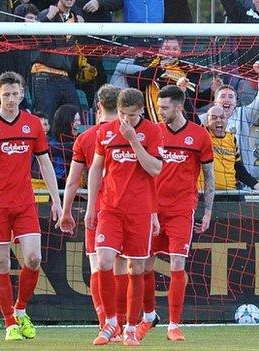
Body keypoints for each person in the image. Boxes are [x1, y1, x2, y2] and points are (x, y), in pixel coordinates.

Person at [0, 71, 62, 341]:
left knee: (34, 257)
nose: (11, 99)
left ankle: (20, 309)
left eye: (15, 93)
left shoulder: (32, 125)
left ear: (22, 93)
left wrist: (56, 201)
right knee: (1, 260)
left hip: (24, 202)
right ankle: (9, 323)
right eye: (6, 94)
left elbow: (44, 163)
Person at [137, 85, 215, 342]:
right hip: (152, 211)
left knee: (178, 264)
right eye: (159, 108)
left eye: (165, 108)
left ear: (179, 107)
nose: (160, 112)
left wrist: (207, 211)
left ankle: (173, 325)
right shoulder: (153, 132)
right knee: (143, 266)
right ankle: (149, 316)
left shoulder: (200, 136)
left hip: (182, 209)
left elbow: (209, 176)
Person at [85, 88, 163, 346]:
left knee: (136, 267)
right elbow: (96, 169)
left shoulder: (152, 132)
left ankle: (131, 327)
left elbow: (155, 169)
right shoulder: (105, 132)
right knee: (105, 262)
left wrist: (133, 140)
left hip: (139, 210)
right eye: (121, 114)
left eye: (130, 115)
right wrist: (90, 208)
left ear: (140, 110)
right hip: (109, 208)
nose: (125, 120)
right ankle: (110, 323)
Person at [59, 84, 122, 330]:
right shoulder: (131, 133)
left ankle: (105, 322)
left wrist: (65, 212)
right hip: (126, 208)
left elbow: (73, 181)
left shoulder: (85, 137)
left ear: (97, 107)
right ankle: (124, 322)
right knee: (123, 266)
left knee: (98, 266)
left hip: (96, 209)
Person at [199, 61, 259, 178]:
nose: (226, 99)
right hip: (214, 176)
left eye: (230, 97)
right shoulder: (205, 118)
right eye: (222, 96)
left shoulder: (243, 114)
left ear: (235, 102)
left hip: (241, 177)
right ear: (215, 102)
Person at [203, 105, 259, 198]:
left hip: (230, 193)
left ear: (227, 120)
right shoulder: (202, 135)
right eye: (213, 117)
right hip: (206, 194)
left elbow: (237, 167)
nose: (218, 120)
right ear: (206, 122)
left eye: (222, 117)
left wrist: (255, 184)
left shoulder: (231, 138)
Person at [32, 0, 83, 120]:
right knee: (45, 118)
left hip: (64, 75)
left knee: (76, 115)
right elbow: (34, 37)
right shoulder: (46, 14)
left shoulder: (75, 19)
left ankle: (71, 139)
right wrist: (49, 17)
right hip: (44, 74)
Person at [49, 104, 81, 188]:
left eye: (79, 120)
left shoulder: (80, 139)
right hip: (58, 187)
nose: (79, 123)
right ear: (66, 122)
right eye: (75, 120)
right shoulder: (52, 143)